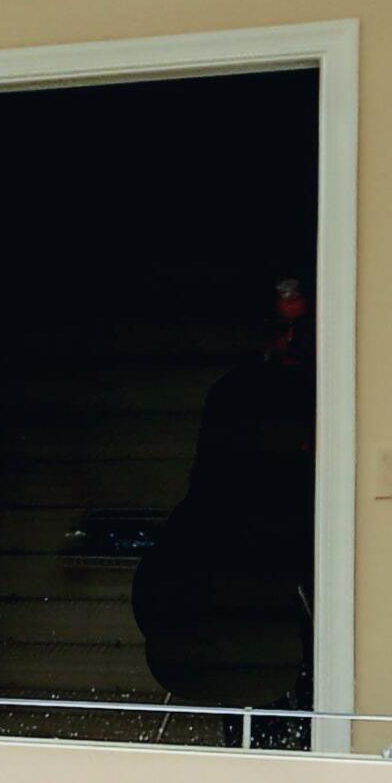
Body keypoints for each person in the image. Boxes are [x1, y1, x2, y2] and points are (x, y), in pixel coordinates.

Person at [130, 277, 316, 743]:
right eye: (281, 327)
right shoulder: (234, 391)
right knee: (249, 698)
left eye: (302, 327)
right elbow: (208, 480)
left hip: (313, 563)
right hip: (246, 564)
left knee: (313, 695)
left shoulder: (339, 390)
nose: (291, 340)